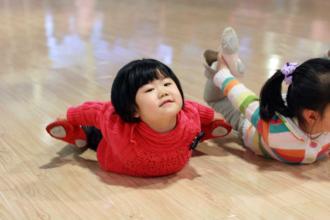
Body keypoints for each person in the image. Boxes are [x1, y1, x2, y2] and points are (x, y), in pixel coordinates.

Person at [46, 59, 232, 177]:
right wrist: (70, 115)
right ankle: (82, 135)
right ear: (132, 109)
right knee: (97, 134)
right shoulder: (117, 124)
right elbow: (96, 111)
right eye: (149, 90)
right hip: (116, 154)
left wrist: (212, 117)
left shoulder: (188, 114)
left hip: (176, 147)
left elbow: (196, 109)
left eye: (167, 83)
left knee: (192, 132)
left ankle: (204, 132)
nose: (163, 92)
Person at [202, 27, 330, 164]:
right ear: (311, 116)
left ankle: (230, 67)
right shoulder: (276, 130)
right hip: (249, 124)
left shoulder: (321, 118)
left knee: (319, 85)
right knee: (214, 99)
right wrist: (223, 75)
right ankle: (221, 65)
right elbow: (246, 100)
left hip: (296, 103)